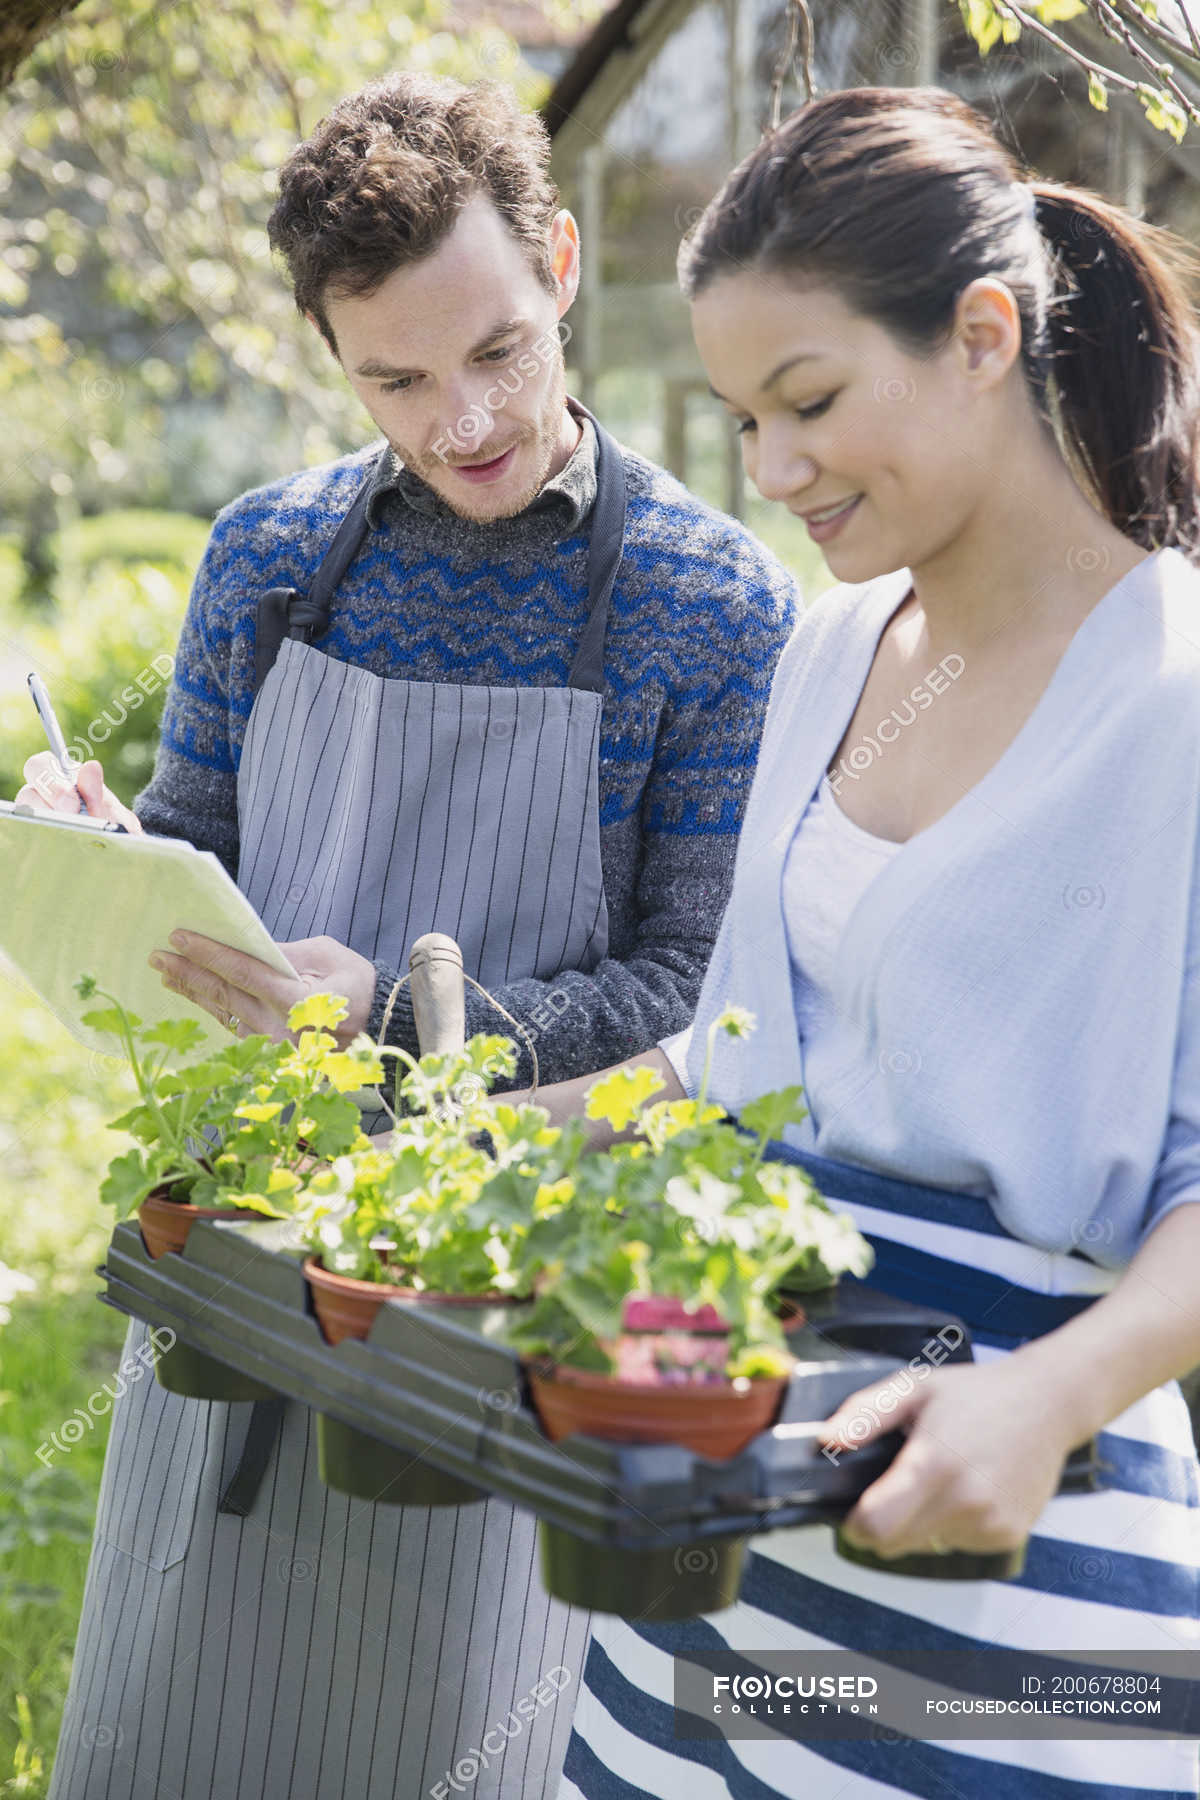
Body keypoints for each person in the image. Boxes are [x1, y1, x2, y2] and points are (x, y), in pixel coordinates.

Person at [25, 74, 799, 1800]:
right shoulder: (272, 558)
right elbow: (202, 852)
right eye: (395, 377)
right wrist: (112, 861)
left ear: (566, 265)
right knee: (177, 1735)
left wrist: (408, 1018)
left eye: (501, 352)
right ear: (330, 353)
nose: (462, 422)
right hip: (230, 1268)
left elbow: (704, 1000)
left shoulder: (708, 601)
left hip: (496, 1303)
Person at [533, 86, 1200, 1800]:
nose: (773, 470)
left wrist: (1048, 1398)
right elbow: (748, 1055)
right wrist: (460, 1148)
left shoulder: (1173, 701)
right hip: (720, 1525)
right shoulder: (827, 653)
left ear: (985, 335)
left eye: (810, 403)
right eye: (743, 417)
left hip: (1006, 1564)